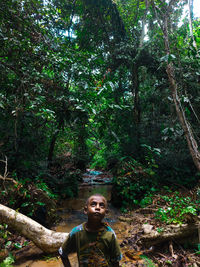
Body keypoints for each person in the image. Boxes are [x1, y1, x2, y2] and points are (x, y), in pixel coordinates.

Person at [59, 194, 122, 267]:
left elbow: (116, 260)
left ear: (106, 212)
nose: (97, 208)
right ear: (85, 210)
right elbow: (62, 252)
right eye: (93, 204)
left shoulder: (110, 234)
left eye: (101, 205)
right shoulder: (76, 232)